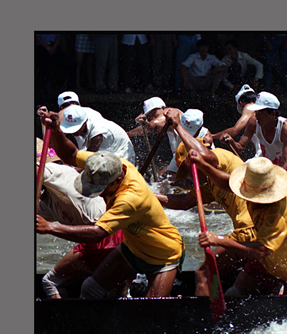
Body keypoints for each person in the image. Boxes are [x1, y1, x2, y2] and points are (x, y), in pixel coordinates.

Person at [37, 111, 185, 298]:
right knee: (89, 289)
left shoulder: (129, 199)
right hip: (133, 248)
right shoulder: (106, 163)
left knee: (150, 311)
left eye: (101, 189)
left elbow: (98, 234)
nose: (98, 194)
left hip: (164, 254)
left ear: (118, 180)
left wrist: (50, 227)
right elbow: (71, 154)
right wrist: (57, 130)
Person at [154, 108, 257, 294]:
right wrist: (152, 198)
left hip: (250, 232)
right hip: (250, 232)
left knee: (203, 273)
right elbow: (185, 201)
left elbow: (206, 156)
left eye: (188, 169)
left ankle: (203, 312)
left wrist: (178, 127)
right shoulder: (210, 183)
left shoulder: (221, 156)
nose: (190, 176)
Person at [197, 156, 287, 297]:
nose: (251, 201)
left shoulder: (279, 213)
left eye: (257, 198)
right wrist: (203, 165)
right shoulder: (249, 188)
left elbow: (261, 250)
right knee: (235, 293)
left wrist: (219, 240)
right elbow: (226, 183)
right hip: (268, 263)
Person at [36, 139, 125, 299]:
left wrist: (49, 227)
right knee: (110, 289)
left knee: (51, 282)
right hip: (101, 238)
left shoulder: (55, 171)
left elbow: (37, 170)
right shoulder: (47, 198)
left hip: (104, 234)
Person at [218, 91, 287, 182]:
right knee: (241, 175)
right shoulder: (253, 122)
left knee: (284, 184)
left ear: (272, 114)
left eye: (261, 112)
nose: (256, 115)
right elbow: (240, 147)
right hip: (267, 159)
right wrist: (231, 141)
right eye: (256, 111)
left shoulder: (285, 129)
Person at [127, 97, 214, 181]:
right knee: (159, 179)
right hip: (181, 156)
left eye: (154, 113)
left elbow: (153, 128)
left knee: (170, 181)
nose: (152, 118)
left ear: (163, 108)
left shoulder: (171, 113)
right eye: (149, 116)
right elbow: (150, 128)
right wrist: (128, 134)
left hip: (197, 155)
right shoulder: (166, 123)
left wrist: (146, 124)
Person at [57, 105, 136, 164]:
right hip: (106, 152)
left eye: (76, 130)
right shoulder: (80, 113)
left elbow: (87, 161)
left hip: (122, 156)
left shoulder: (97, 135)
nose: (73, 133)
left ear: (84, 123)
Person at [211, 84, 262, 158]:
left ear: (241, 103)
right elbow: (240, 147)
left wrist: (212, 136)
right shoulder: (261, 110)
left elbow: (235, 130)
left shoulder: (249, 107)